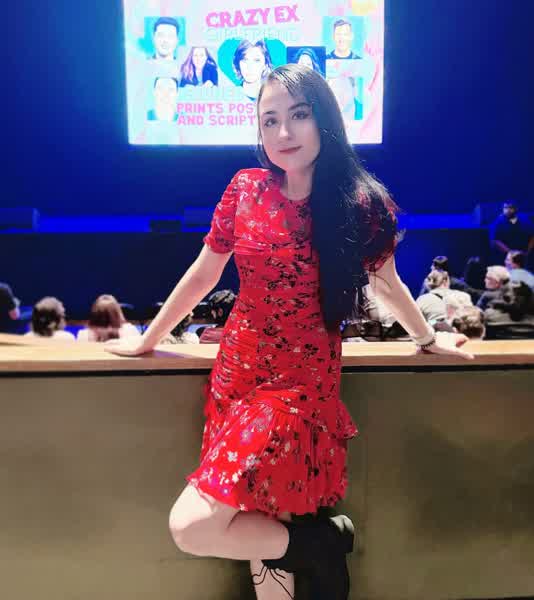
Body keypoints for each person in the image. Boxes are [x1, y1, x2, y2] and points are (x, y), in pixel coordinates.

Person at [105, 64, 472, 600]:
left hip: (299, 386)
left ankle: (321, 542)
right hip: (237, 375)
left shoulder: (359, 203)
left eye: (298, 115)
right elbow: (204, 273)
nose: (283, 132)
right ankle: (316, 545)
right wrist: (147, 339)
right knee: (258, 515)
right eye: (269, 119)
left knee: (191, 527)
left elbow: (386, 282)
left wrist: (427, 338)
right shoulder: (245, 188)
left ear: (324, 119)